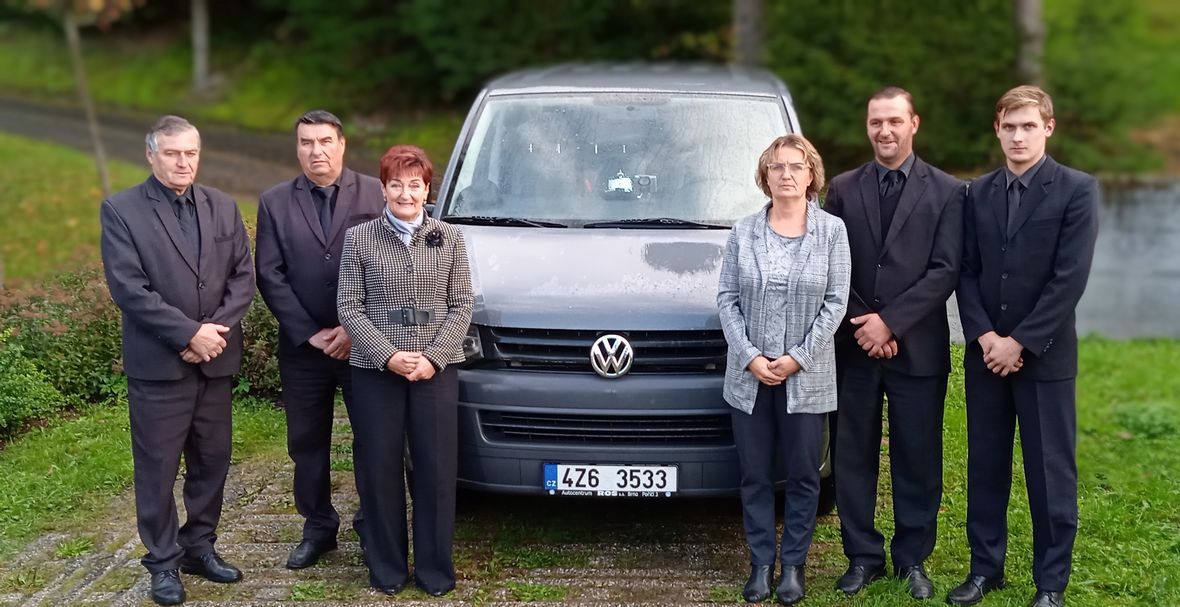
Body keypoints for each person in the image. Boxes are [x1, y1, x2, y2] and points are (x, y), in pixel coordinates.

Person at [950, 85, 1099, 607]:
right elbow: (966, 271)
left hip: (1044, 357)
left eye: (1028, 126)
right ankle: (985, 569)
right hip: (986, 356)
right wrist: (986, 337)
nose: (1018, 136)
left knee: (1050, 474)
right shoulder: (976, 193)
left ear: (1048, 128)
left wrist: (1022, 342)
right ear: (997, 129)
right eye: (1009, 126)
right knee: (985, 467)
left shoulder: (1077, 189)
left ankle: (1050, 583)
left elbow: (1069, 278)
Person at [100, 115, 254, 606]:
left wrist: (212, 336)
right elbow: (130, 289)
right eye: (172, 153)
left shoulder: (223, 206)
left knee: (212, 460)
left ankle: (199, 546)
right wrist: (189, 334)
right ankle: (163, 562)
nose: (183, 162)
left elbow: (242, 278)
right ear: (151, 155)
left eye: (191, 153)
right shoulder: (122, 210)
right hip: (160, 367)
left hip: (215, 361)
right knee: (158, 469)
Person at [822, 87, 964, 599]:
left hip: (918, 348)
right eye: (876, 122)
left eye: (894, 121)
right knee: (853, 456)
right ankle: (862, 557)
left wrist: (892, 323)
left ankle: (912, 559)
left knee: (918, 458)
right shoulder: (842, 188)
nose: (885, 130)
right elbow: (832, 264)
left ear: (914, 124)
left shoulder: (948, 191)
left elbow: (945, 270)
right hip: (854, 345)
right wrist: (866, 323)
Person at [718, 134, 851, 605]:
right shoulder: (743, 232)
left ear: (811, 174)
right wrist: (751, 356)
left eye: (796, 166)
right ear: (765, 176)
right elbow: (727, 300)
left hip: (806, 378)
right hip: (749, 378)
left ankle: (793, 565)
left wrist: (798, 357)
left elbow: (836, 303)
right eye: (777, 166)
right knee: (754, 475)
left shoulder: (832, 232)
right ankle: (760, 564)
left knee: (803, 475)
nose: (786, 174)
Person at [337, 144, 473, 596]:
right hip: (377, 371)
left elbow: (462, 305)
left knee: (436, 469)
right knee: (379, 468)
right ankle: (387, 569)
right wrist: (388, 355)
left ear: (427, 189)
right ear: (383, 188)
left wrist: (434, 357)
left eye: (415, 185)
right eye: (396, 184)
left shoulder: (450, 238)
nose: (406, 194)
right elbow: (349, 307)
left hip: (436, 370)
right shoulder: (359, 239)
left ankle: (435, 571)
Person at [255, 110, 385, 569]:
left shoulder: (375, 192)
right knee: (307, 441)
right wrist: (309, 334)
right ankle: (317, 527)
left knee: (373, 438)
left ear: (341, 144)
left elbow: (391, 268)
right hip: (303, 350)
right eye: (307, 143)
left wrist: (355, 327)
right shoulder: (274, 202)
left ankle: (373, 526)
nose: (317, 151)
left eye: (325, 141)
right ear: (297, 148)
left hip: (366, 344)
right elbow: (269, 274)